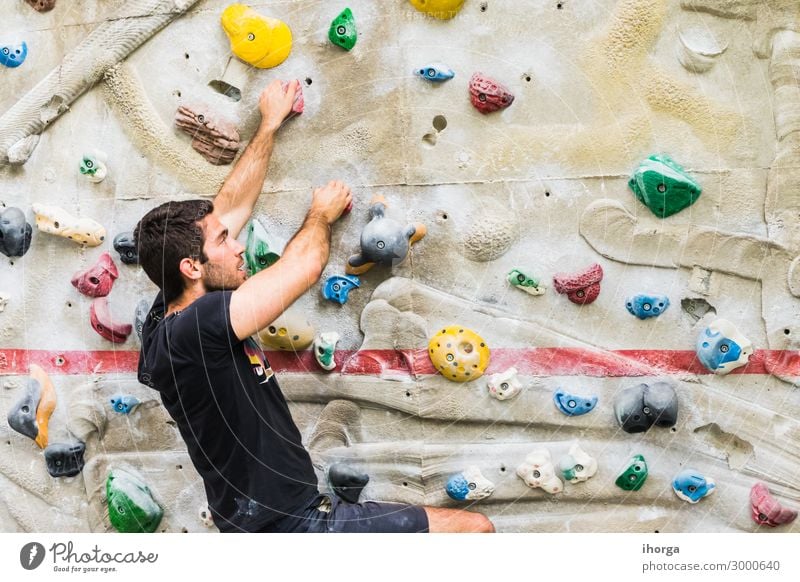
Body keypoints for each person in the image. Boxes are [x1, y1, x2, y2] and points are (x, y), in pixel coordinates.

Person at [134, 79, 495, 534]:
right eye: (225, 242)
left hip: (252, 526)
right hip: (293, 527)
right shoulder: (201, 325)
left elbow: (224, 211)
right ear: (191, 267)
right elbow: (302, 267)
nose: (238, 244)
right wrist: (320, 216)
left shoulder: (162, 325)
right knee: (475, 531)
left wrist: (268, 127)